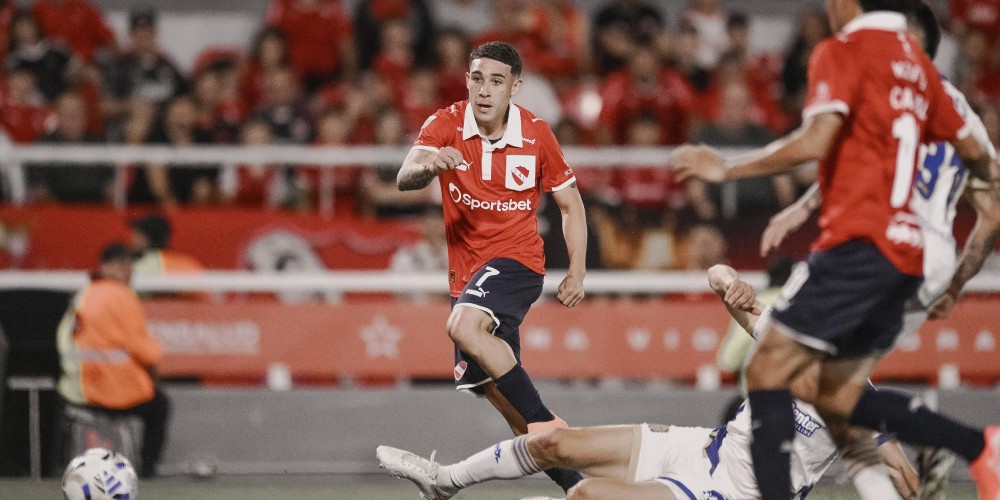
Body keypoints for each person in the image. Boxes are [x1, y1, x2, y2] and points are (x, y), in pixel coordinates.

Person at [671, 1, 1000, 498]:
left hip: (862, 243)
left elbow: (817, 140)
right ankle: (971, 449)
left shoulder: (847, 51)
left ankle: (973, 445)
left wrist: (728, 168)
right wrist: (952, 282)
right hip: (918, 258)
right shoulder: (932, 86)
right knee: (835, 395)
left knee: (768, 369)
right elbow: (980, 164)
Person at [377, 265, 920, 500]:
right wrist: (731, 283)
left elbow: (902, 473)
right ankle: (443, 482)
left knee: (586, 493)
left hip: (724, 494)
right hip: (700, 448)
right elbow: (717, 275)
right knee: (553, 444)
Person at [395, 40, 587, 493]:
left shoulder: (536, 134)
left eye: (497, 81)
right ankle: (580, 488)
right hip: (468, 279)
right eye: (477, 78)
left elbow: (571, 205)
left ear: (515, 87)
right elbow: (405, 176)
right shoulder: (445, 123)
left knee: (462, 327)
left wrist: (577, 270)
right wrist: (430, 166)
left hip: (518, 262)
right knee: (514, 415)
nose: (485, 90)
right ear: (467, 80)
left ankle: (546, 420)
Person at [55, 242, 170, 478]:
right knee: (160, 405)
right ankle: (147, 471)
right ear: (110, 267)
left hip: (74, 390)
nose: (129, 272)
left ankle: (59, 467)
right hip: (111, 391)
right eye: (125, 266)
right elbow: (145, 350)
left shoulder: (84, 295)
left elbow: (64, 339)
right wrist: (154, 370)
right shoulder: (122, 296)